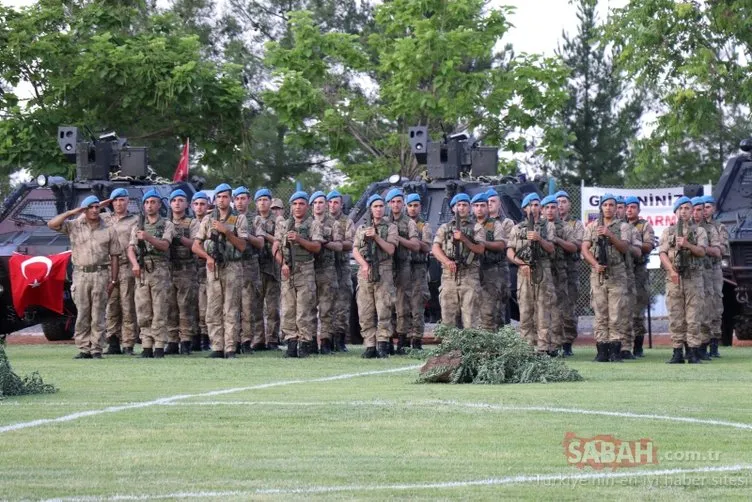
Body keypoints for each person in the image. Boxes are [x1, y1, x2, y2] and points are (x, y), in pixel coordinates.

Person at [48, 195, 121, 359]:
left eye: (97, 207)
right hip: (81, 274)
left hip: (101, 274)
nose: (95, 210)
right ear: (84, 210)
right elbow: (52, 224)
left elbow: (115, 256)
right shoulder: (74, 226)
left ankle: (97, 348)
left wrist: (114, 280)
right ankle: (84, 348)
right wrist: (72, 212)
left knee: (99, 313)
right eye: (90, 207)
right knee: (83, 313)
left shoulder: (108, 229)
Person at [191, 184, 249, 359]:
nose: (221, 200)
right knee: (213, 309)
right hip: (214, 268)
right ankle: (217, 346)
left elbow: (242, 246)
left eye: (225, 197)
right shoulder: (208, 220)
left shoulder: (239, 219)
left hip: (232, 267)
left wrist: (227, 233)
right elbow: (196, 245)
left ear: (230, 199)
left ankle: (230, 347)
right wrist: (207, 258)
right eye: (219, 197)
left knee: (230, 308)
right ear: (214, 199)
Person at [581, 193, 631, 362]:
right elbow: (585, 248)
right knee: (600, 312)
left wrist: (610, 235)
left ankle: (615, 349)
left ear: (616, 208)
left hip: (617, 273)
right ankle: (602, 349)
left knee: (616, 313)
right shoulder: (592, 226)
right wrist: (595, 264)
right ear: (601, 207)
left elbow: (624, 248)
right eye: (605, 205)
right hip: (598, 274)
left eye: (611, 205)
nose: (608, 208)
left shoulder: (623, 227)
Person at [272, 191, 323, 358]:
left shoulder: (313, 224)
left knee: (305, 310)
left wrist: (300, 239)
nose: (298, 207)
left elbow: (317, 247)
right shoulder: (283, 225)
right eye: (295, 204)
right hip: (288, 271)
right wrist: (283, 264)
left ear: (307, 206)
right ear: (291, 206)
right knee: (288, 309)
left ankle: (304, 344)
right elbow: (275, 248)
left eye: (301, 204)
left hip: (306, 270)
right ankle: (291, 343)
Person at [659, 196, 708, 364]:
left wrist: (687, 245)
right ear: (676, 212)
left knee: (694, 316)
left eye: (687, 208)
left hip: (693, 277)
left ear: (692, 211)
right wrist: (671, 270)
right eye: (681, 209)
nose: (684, 211)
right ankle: (677, 351)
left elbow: (701, 251)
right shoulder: (668, 231)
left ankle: (693, 351)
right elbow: (662, 253)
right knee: (675, 315)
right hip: (675, 278)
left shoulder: (699, 231)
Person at [506, 193, 557, 355]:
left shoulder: (548, 226)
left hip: (542, 272)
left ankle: (543, 347)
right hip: (524, 274)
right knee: (526, 310)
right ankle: (526, 347)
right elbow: (509, 250)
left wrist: (539, 239)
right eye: (530, 205)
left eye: (536, 205)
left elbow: (551, 249)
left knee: (543, 310)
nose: (533, 208)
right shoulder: (517, 228)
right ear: (524, 208)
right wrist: (521, 264)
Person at [127, 189, 175, 358]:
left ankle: (160, 345)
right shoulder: (138, 225)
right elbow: (131, 248)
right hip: (142, 270)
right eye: (147, 202)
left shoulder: (166, 224)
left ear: (159, 205)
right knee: (143, 309)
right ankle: (147, 345)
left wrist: (148, 238)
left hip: (160, 269)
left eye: (153, 202)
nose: (149, 206)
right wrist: (134, 264)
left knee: (160, 308)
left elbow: (164, 245)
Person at [352, 194, 398, 358]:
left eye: (380, 206)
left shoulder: (391, 227)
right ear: (370, 209)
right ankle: (370, 344)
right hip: (365, 271)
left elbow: (391, 249)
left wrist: (376, 237)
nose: (378, 209)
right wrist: (363, 265)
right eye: (375, 206)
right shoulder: (361, 228)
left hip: (384, 269)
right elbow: (355, 249)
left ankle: (383, 343)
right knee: (365, 310)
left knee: (384, 308)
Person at [433, 193, 485, 329]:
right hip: (449, 274)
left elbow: (480, 249)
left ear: (469, 208)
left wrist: (464, 239)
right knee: (448, 314)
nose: (461, 208)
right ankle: (451, 348)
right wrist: (446, 261)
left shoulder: (477, 228)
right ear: (453, 208)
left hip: (469, 273)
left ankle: (470, 349)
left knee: (471, 315)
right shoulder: (444, 227)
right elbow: (435, 247)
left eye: (464, 205)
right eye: (458, 205)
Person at [101, 188, 138, 355]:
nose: (118, 203)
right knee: (111, 306)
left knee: (128, 305)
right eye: (114, 200)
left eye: (121, 200)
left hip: (126, 266)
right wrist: (103, 204)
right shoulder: (103, 218)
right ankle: (113, 342)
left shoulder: (135, 220)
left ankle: (128, 343)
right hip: (107, 267)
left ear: (127, 201)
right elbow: (84, 215)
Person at [385, 188, 420, 353]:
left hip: (403, 265)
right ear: (389, 204)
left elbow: (415, 245)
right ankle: (387, 339)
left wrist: (397, 238)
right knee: (387, 303)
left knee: (402, 304)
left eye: (399, 201)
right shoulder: (383, 220)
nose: (396, 205)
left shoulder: (410, 223)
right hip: (386, 266)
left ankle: (402, 339)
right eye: (393, 202)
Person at [543, 194, 578, 356]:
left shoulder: (569, 226)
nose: (554, 209)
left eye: (562, 203)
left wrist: (556, 240)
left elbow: (575, 247)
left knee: (563, 308)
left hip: (563, 271)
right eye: (548, 207)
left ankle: (564, 343)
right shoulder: (538, 226)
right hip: (543, 273)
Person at [166, 189, 199, 355]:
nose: (177, 203)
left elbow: (195, 245)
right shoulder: (164, 223)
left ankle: (186, 340)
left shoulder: (192, 223)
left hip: (186, 270)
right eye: (174, 200)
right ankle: (172, 340)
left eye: (180, 200)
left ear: (186, 204)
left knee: (185, 306)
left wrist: (177, 236)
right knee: (170, 306)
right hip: (168, 270)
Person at [310, 190, 343, 354]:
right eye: (315, 203)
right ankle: (309, 341)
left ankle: (325, 341)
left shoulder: (334, 224)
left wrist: (324, 243)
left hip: (327, 270)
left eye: (321, 202)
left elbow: (339, 246)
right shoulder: (307, 222)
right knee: (308, 308)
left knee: (327, 308)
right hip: (309, 269)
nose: (318, 205)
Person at [233, 186, 264, 354]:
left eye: (243, 198)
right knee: (231, 305)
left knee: (248, 305)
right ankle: (233, 340)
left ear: (249, 200)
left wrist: (244, 235)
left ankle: (246, 340)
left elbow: (260, 242)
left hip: (249, 265)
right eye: (237, 199)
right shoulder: (229, 218)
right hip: (231, 265)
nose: (240, 202)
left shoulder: (255, 219)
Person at [555, 190, 585, 356]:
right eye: (558, 202)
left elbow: (579, 244)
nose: (560, 205)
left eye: (564, 201)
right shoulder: (547, 223)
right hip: (553, 271)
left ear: (569, 204)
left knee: (568, 308)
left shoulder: (576, 224)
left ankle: (567, 343)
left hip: (570, 270)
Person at [252, 188, 281, 350]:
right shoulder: (252, 220)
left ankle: (272, 339)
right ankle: (258, 339)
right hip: (256, 267)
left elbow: (280, 239)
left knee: (272, 308)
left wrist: (264, 235)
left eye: (265, 200)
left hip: (272, 268)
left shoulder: (278, 221)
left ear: (270, 202)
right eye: (260, 200)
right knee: (256, 306)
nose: (263, 203)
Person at [473, 192, 507, 332]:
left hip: (491, 270)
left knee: (491, 308)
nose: (479, 209)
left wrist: (482, 243)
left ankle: (492, 341)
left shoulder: (495, 225)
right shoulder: (469, 224)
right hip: (472, 270)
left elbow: (501, 245)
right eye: (476, 206)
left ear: (487, 207)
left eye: (483, 205)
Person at [625, 195, 655, 357]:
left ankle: (638, 346)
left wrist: (631, 244)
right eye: (627, 207)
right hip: (622, 271)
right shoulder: (619, 225)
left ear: (638, 209)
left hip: (638, 272)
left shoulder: (644, 226)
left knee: (637, 310)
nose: (629, 210)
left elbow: (649, 246)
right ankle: (623, 345)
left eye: (633, 207)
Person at [693, 196, 720, 361]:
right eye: (693, 209)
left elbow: (717, 251)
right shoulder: (682, 229)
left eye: (699, 210)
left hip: (707, 274)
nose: (696, 213)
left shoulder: (711, 230)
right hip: (690, 275)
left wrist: (699, 248)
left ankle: (705, 346)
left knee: (707, 310)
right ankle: (692, 348)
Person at [615, 195, 643, 360]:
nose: (618, 210)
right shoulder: (600, 227)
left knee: (627, 312)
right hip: (609, 274)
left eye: (621, 207)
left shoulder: (630, 229)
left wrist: (624, 245)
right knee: (610, 313)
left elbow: (639, 251)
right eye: (616, 206)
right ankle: (611, 346)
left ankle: (626, 347)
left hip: (627, 274)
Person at [328, 190, 355, 351]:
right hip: (325, 266)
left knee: (342, 303)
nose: (333, 205)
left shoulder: (347, 222)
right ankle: (327, 337)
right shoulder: (321, 221)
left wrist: (334, 244)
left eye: (336, 202)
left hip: (342, 266)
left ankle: (339, 337)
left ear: (341, 204)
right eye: (330, 202)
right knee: (326, 304)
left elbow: (350, 243)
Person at [405, 193, 432, 349]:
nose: (413, 209)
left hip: (418, 268)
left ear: (420, 207)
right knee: (402, 305)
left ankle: (416, 339)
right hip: (402, 268)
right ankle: (403, 337)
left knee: (417, 305)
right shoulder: (400, 224)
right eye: (410, 205)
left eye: (416, 205)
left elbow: (427, 246)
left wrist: (412, 243)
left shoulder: (424, 226)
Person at [487, 188, 515, 326]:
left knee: (502, 299)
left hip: (500, 266)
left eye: (493, 201)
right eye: (487, 202)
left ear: (499, 204)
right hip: (482, 267)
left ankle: (504, 332)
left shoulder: (507, 223)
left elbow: (508, 244)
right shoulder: (477, 222)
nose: (490, 204)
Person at [704, 195, 727, 357]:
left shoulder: (719, 228)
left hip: (713, 271)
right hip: (697, 272)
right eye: (702, 207)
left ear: (714, 209)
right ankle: (700, 345)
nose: (705, 210)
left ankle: (714, 344)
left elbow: (721, 251)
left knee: (715, 307)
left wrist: (701, 248)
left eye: (708, 207)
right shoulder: (693, 227)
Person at [191, 191, 211, 351]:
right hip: (191, 269)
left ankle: (205, 337)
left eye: (202, 204)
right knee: (193, 306)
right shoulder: (190, 223)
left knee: (205, 306)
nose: (199, 207)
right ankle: (195, 337)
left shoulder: (211, 222)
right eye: (196, 204)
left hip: (207, 268)